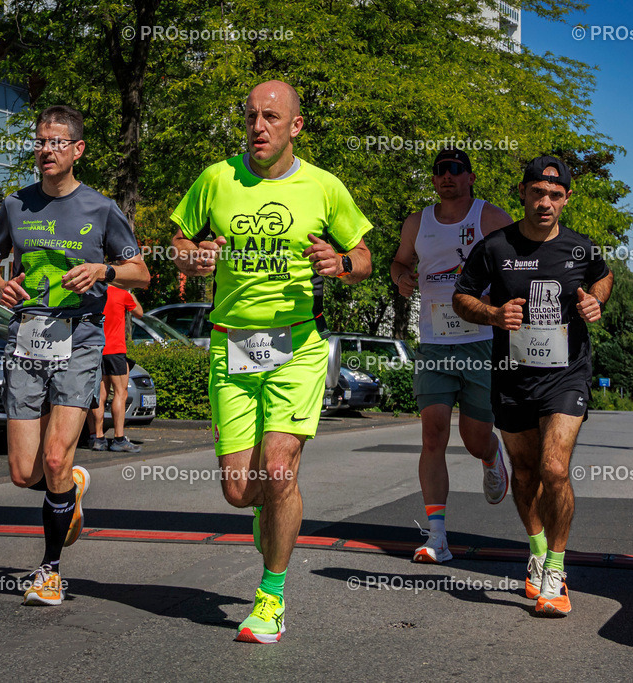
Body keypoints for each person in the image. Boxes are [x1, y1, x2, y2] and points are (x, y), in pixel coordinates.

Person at [169, 80, 372, 644]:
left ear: (295, 126)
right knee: (240, 489)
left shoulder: (324, 187)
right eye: (251, 116)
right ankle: (267, 513)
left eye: (271, 117)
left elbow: (364, 257)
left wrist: (341, 263)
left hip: (296, 348)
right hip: (231, 347)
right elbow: (178, 241)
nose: (258, 127)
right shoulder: (217, 178)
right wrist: (195, 255)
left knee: (279, 470)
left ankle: (272, 597)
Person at [0, 105, 150, 606]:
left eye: (56, 142)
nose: (46, 150)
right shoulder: (15, 205)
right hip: (27, 336)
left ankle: (49, 571)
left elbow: (139, 271)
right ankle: (69, 486)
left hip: (79, 338)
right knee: (23, 472)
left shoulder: (101, 209)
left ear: (77, 150)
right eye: (40, 141)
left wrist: (103, 272)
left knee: (54, 455)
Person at [453, 155, 613, 616]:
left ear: (566, 199)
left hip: (566, 374)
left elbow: (603, 279)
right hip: (512, 376)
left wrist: (593, 303)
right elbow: (461, 296)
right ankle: (538, 550)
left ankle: (557, 570)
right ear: (522, 193)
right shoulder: (494, 247)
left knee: (554, 469)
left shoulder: (580, 249)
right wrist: (491, 313)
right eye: (538, 193)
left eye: (555, 195)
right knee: (523, 473)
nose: (546, 202)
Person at [390, 148, 513, 564]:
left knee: (474, 438)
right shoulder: (417, 222)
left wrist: (501, 301)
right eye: (440, 171)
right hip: (435, 342)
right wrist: (403, 278)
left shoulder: (491, 217)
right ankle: (437, 535)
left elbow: (519, 263)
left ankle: (492, 455)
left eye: (455, 170)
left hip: (481, 339)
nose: (447, 177)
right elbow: (399, 262)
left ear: (470, 176)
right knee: (433, 433)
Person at [86, 284, 143, 452]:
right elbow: (139, 313)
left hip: (97, 348)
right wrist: (132, 294)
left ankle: (98, 437)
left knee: (100, 394)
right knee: (120, 392)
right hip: (115, 349)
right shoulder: (122, 294)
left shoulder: (93, 294)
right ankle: (119, 438)